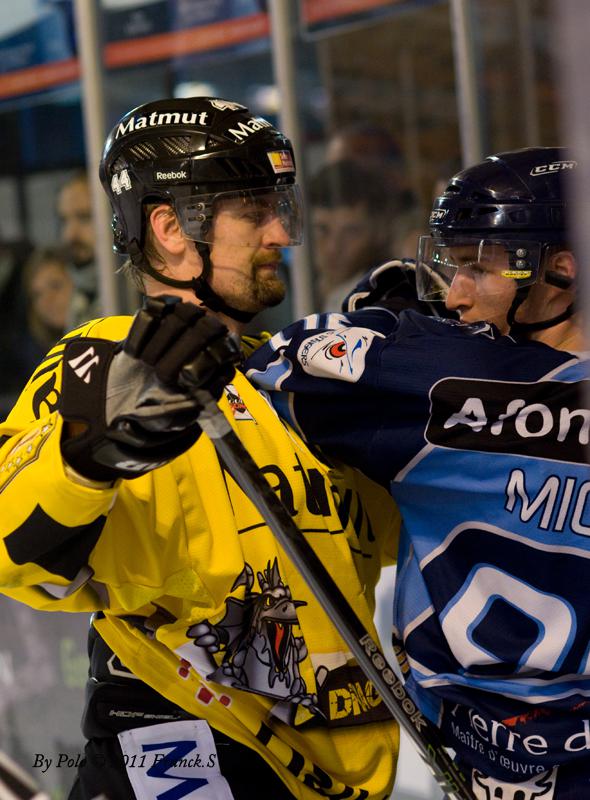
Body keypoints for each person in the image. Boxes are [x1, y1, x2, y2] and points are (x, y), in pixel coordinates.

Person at [0, 97, 399, 800]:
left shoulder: (289, 379)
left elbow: (376, 543)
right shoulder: (101, 366)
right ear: (170, 228)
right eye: (254, 210)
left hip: (331, 765)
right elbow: (11, 543)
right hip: (181, 743)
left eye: (280, 205)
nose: (282, 230)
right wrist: (85, 464)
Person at [244, 147, 589, 799]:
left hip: (477, 750)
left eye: (475, 268)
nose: (455, 295)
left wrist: (387, 323)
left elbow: (278, 360)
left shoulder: (445, 381)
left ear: (562, 272)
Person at [309, 160, 398, 310]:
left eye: (351, 232)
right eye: (322, 229)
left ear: (379, 232)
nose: (333, 248)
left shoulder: (383, 301)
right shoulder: (297, 288)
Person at [56, 171, 97, 319]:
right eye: (64, 220)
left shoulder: (137, 296)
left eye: (84, 217)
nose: (69, 235)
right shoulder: (80, 296)